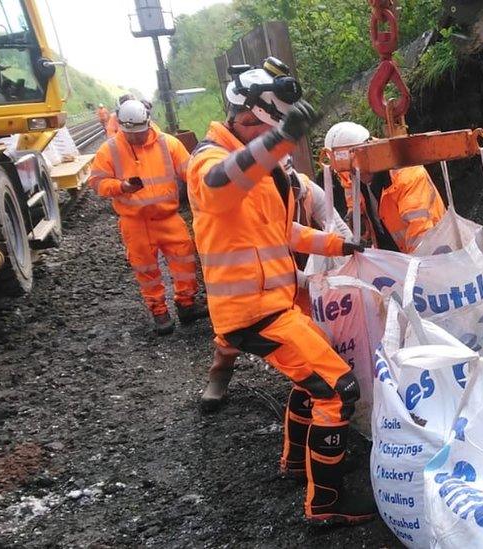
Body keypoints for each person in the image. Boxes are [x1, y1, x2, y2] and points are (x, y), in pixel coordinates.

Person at [186, 60, 376, 525]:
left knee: (307, 379)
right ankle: (326, 506)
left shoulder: (259, 171)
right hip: (253, 309)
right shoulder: (210, 161)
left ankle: (296, 464)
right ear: (248, 117)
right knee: (337, 388)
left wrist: (338, 242)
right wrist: (280, 137)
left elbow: (281, 232)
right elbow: (218, 183)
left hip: (271, 304)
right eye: (267, 130)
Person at [199, 162, 352, 413]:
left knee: (310, 341)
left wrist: (347, 252)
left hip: (289, 283)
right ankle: (220, 374)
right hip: (256, 295)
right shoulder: (248, 208)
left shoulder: (307, 190)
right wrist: (309, 280)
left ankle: (309, 381)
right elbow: (264, 259)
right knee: (231, 341)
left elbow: (329, 223)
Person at [88, 99, 208, 334]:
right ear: (121, 127)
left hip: (167, 216)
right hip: (135, 221)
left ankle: (187, 304)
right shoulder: (109, 150)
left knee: (184, 259)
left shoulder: (168, 144)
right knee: (146, 269)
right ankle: (159, 312)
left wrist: (209, 184)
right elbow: (96, 183)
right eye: (131, 135)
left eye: (141, 133)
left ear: (148, 123)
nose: (137, 138)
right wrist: (121, 187)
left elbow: (191, 171)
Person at [323, 122, 446, 253]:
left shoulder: (407, 176)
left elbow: (421, 235)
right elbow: (351, 197)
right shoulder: (350, 173)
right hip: (391, 254)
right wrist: (357, 218)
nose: (346, 173)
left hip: (434, 252)